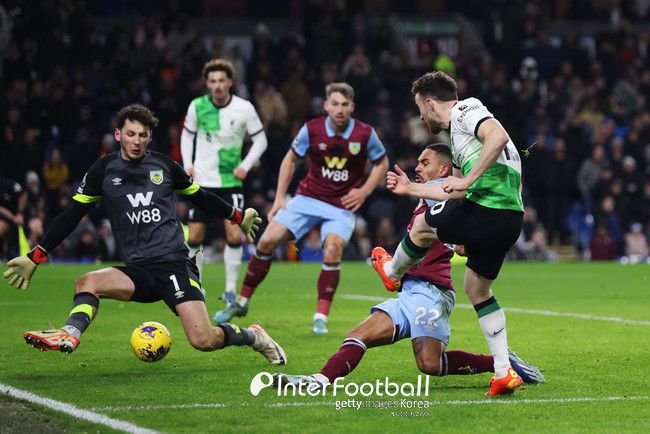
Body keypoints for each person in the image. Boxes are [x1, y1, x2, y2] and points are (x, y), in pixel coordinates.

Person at [3, 104, 285, 365]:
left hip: (174, 265)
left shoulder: (165, 167)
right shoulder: (103, 170)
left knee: (204, 340)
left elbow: (201, 197)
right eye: (130, 134)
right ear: (118, 135)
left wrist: (237, 216)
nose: (136, 141)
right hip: (137, 272)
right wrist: (36, 255)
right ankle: (69, 333)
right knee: (87, 282)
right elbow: (71, 216)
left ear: (150, 137)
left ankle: (253, 336)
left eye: (142, 135)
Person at [273, 145, 543, 390]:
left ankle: (500, 361)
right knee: (366, 338)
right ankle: (319, 380)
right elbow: (452, 244)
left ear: (443, 170)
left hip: (431, 293)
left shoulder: (441, 193)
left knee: (429, 363)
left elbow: (457, 224)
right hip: (410, 292)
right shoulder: (427, 200)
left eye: (425, 162)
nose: (418, 167)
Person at [372, 71, 526, 396]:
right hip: (509, 217)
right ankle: (503, 372)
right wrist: (411, 188)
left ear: (430, 103)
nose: (420, 116)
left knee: (422, 225)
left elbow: (498, 137)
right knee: (477, 289)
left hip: (489, 207)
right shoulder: (458, 140)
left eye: (420, 108)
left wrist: (468, 180)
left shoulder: (465, 110)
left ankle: (392, 271)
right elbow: (452, 192)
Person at [215, 82, 389, 334]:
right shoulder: (312, 129)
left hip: (341, 206)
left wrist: (364, 191)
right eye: (335, 104)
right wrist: (279, 198)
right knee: (266, 241)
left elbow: (382, 162)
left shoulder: (364, 133)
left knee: (333, 249)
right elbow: (290, 159)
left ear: (352, 106)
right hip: (308, 198)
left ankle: (320, 318)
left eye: (345, 104)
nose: (340, 109)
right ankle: (241, 302)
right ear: (326, 105)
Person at [180, 59, 268, 309]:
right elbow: (187, 135)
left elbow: (261, 141)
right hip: (202, 181)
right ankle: (196, 285)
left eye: (221, 80)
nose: (217, 85)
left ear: (230, 82)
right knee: (195, 235)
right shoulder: (197, 106)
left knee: (234, 233)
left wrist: (246, 165)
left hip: (230, 182)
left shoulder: (244, 108)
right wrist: (188, 164)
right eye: (213, 81)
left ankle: (230, 290)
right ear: (207, 83)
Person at [0, 175, 26, 260]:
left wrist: (20, 213)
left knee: (36, 226)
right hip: (6, 217)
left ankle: (41, 256)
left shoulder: (9, 184)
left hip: (22, 215)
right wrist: (13, 218)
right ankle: (3, 255)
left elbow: (23, 195)